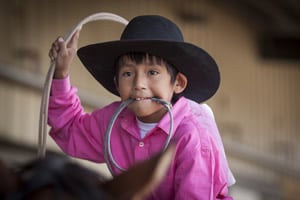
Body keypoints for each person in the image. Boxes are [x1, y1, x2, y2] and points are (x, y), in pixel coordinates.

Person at [48, 15, 234, 199]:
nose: (139, 84)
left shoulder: (191, 134)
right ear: (117, 82)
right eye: (128, 73)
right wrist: (61, 72)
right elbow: (69, 129)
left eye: (152, 72)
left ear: (178, 82)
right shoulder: (112, 121)